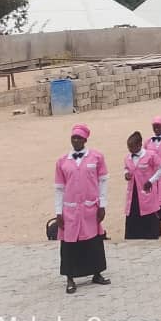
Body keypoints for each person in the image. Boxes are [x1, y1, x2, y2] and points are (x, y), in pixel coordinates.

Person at [54, 124, 110, 294]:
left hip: (90, 208)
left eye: (79, 138)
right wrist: (58, 212)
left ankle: (97, 273)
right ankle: (70, 277)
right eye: (74, 138)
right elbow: (59, 188)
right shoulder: (62, 161)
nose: (76, 141)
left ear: (85, 140)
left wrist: (102, 205)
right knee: (70, 244)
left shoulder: (96, 157)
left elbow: (103, 181)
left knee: (93, 242)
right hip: (70, 210)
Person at [123, 130, 161, 240]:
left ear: (139, 144)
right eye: (129, 147)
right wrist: (126, 174)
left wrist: (151, 180)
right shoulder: (127, 158)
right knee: (133, 211)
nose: (130, 149)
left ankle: (150, 234)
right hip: (133, 190)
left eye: (132, 147)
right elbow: (126, 168)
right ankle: (134, 235)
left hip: (146, 189)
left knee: (148, 211)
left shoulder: (150, 155)